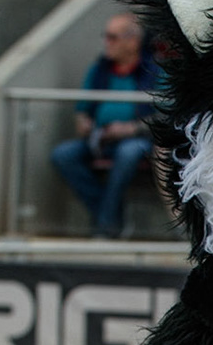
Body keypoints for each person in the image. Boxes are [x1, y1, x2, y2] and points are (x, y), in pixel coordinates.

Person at [49, 14, 161, 239]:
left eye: (113, 37)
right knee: (63, 155)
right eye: (106, 37)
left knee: (128, 153)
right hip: (100, 139)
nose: (107, 43)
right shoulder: (99, 70)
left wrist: (133, 128)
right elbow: (83, 109)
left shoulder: (154, 71)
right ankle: (109, 217)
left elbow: (167, 115)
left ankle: (106, 226)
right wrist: (84, 122)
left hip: (138, 139)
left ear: (133, 41)